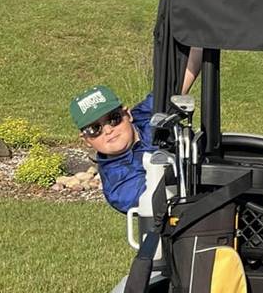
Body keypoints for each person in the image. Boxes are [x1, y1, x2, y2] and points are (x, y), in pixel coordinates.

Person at [70, 50, 203, 212]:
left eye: (113, 119)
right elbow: (162, 198)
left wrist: (201, 42)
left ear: (127, 114)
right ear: (86, 140)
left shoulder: (145, 114)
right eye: (94, 129)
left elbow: (180, 82)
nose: (108, 130)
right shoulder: (118, 185)